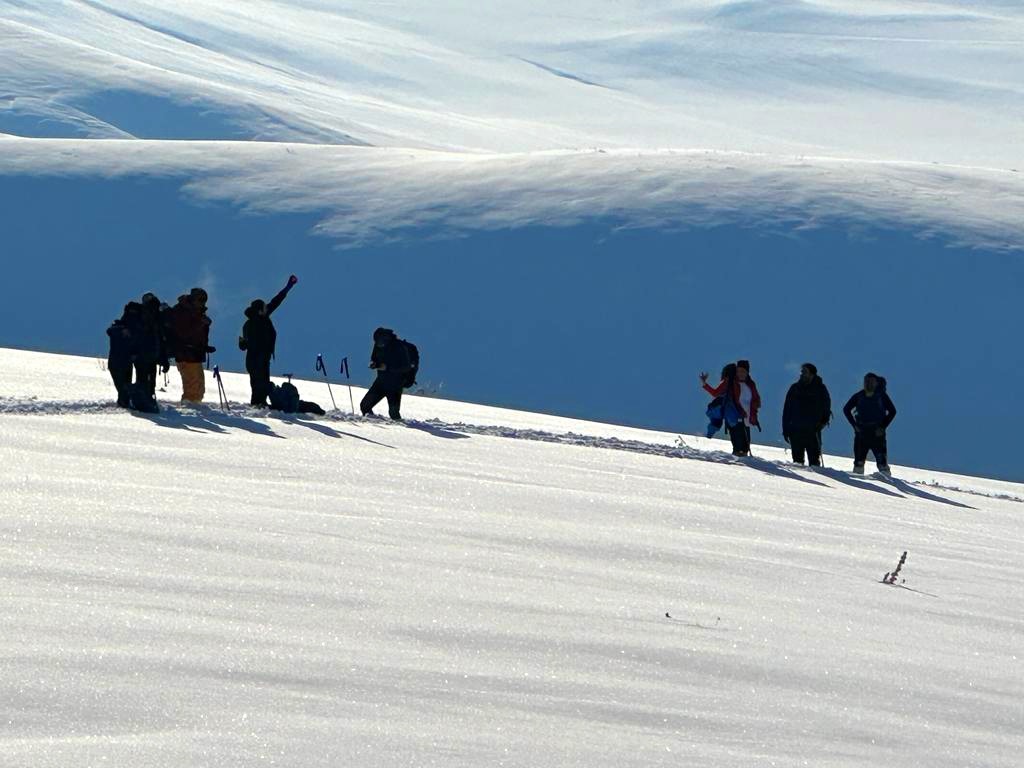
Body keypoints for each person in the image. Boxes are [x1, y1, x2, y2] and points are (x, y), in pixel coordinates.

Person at [239, 275, 298, 406]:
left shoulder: (263, 318)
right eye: (264, 307)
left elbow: (276, 301)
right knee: (258, 383)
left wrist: (288, 287)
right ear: (259, 310)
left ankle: (260, 403)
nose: (267, 308)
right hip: (255, 358)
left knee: (262, 382)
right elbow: (247, 344)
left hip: (262, 357)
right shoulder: (251, 324)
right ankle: (257, 404)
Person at [700, 359, 761, 456]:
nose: (741, 373)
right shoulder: (730, 381)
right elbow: (715, 393)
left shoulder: (751, 384)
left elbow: (756, 399)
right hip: (733, 415)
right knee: (738, 445)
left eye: (743, 371)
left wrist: (754, 411)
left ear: (747, 372)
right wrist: (704, 383)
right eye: (739, 371)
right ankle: (737, 463)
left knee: (745, 446)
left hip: (747, 417)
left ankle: (744, 463)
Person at [842, 372, 897, 475]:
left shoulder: (881, 396)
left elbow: (893, 411)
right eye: (866, 381)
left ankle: (888, 482)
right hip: (862, 433)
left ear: (876, 383)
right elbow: (846, 409)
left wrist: (882, 427)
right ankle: (858, 485)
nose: (868, 384)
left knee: (882, 462)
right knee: (859, 461)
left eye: (871, 382)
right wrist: (855, 426)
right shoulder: (859, 396)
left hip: (877, 433)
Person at [169, 287, 214, 404]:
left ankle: (194, 405)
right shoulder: (183, 310)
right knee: (192, 385)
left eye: (204, 300)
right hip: (186, 353)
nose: (203, 303)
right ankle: (190, 406)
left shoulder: (195, 312)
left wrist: (204, 347)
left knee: (198, 385)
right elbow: (183, 332)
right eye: (201, 300)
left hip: (194, 353)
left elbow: (197, 336)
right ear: (194, 299)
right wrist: (201, 322)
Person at [782, 363, 832, 466]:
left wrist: (823, 422)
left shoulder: (820, 389)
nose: (802, 374)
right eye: (802, 372)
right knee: (797, 462)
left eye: (805, 372)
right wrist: (785, 428)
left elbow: (826, 406)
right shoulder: (794, 388)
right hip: (795, 430)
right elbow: (787, 409)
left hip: (813, 430)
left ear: (812, 374)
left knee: (814, 462)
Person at [360, 327, 413, 420]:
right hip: (381, 382)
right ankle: (373, 425)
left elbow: (406, 367)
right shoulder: (377, 344)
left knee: (393, 413)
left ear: (386, 338)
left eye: (379, 342)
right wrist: (374, 364)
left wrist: (388, 368)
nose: (378, 344)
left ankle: (399, 431)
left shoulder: (399, 347)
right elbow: (374, 358)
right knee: (365, 405)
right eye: (376, 342)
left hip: (395, 385)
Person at [106, 302, 143, 408]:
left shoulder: (124, 326)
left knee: (123, 385)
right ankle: (124, 402)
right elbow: (110, 331)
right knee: (123, 385)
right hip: (122, 361)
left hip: (121, 361)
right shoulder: (128, 326)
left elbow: (110, 331)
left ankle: (124, 402)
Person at [134, 292, 169, 400]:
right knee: (150, 378)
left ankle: (142, 398)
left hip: (141, 353)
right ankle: (149, 397)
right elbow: (162, 339)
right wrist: (164, 360)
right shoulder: (158, 316)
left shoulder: (139, 313)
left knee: (142, 377)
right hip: (153, 354)